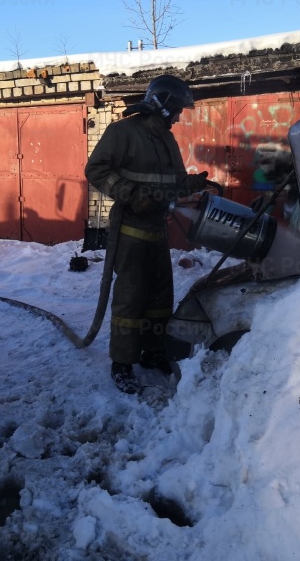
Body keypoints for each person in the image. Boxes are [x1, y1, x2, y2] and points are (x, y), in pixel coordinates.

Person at [85, 75, 208, 394]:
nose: (180, 116)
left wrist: (191, 184)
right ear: (165, 105)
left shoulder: (167, 140)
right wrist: (129, 193)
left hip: (156, 229)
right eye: (178, 109)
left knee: (159, 296)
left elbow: (172, 181)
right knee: (130, 296)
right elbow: (95, 170)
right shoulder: (123, 132)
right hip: (129, 230)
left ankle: (153, 352)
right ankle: (122, 362)